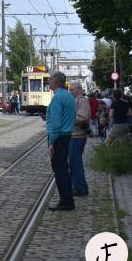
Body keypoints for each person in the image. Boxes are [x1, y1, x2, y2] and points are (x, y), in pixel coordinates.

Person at [46, 71, 76, 211]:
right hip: (67, 136)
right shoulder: (69, 96)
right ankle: (68, 200)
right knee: (63, 168)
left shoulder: (57, 98)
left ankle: (66, 202)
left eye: (50, 79)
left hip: (58, 138)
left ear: (57, 82)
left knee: (60, 171)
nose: (48, 81)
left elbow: (56, 124)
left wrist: (51, 142)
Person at [69, 83, 90, 197]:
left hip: (77, 136)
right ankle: (77, 186)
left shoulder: (81, 100)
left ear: (79, 90)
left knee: (75, 163)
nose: (70, 91)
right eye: (69, 89)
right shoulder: (76, 100)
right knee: (73, 163)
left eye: (72, 89)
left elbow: (83, 117)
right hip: (74, 136)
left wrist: (67, 119)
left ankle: (80, 188)